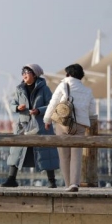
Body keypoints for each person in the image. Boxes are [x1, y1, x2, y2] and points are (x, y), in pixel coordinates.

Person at [2, 64, 59, 188]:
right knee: (17, 151)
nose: (24, 74)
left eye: (27, 71)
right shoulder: (19, 89)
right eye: (22, 72)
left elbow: (51, 106)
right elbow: (12, 105)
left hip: (40, 126)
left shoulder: (45, 89)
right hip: (23, 125)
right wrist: (17, 108)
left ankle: (52, 181)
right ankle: (11, 179)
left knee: (46, 152)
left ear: (35, 74)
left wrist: (38, 110)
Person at [43, 63, 96, 192]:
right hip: (80, 125)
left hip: (64, 124)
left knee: (64, 155)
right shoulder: (87, 90)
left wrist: (47, 119)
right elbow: (92, 111)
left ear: (68, 74)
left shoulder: (63, 85)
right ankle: (74, 184)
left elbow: (53, 103)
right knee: (77, 155)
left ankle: (68, 184)